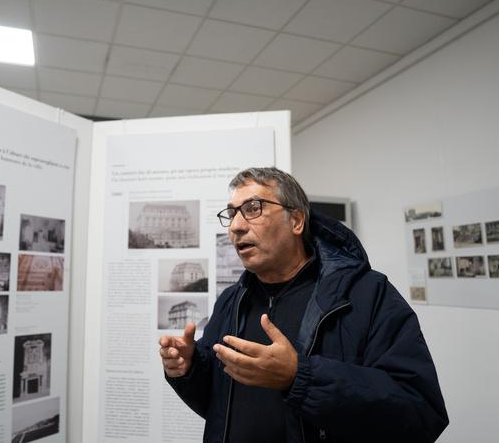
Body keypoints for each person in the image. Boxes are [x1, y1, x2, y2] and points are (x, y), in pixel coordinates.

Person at [159, 167, 448, 443]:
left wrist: (300, 376)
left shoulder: (366, 294)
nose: (235, 226)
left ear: (296, 221)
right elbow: (217, 405)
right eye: (231, 214)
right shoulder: (231, 301)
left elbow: (420, 413)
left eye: (252, 209)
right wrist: (190, 369)